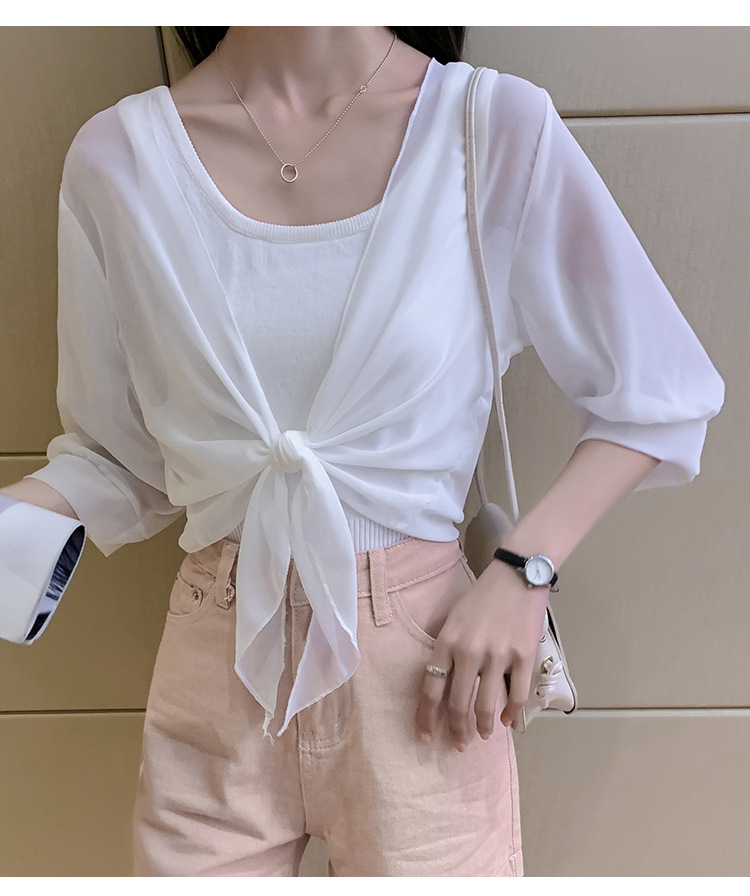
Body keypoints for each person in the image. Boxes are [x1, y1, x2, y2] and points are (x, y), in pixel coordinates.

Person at [0, 26, 725, 877]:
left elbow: (659, 398)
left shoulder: (489, 129)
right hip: (215, 659)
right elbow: (118, 455)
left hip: (427, 666)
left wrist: (523, 571)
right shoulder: (118, 159)